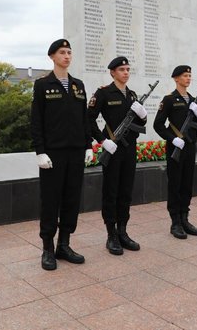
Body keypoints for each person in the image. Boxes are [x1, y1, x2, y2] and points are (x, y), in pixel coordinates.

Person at [31, 38, 94, 271]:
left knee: (71, 199)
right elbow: (36, 121)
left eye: (69, 52)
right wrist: (40, 151)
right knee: (50, 201)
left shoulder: (78, 85)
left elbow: (84, 120)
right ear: (52, 57)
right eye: (62, 52)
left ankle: (64, 245)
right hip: (53, 155)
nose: (67, 56)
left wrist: (88, 145)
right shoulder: (42, 84)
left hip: (76, 152)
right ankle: (47, 248)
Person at [87, 56, 147, 255]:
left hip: (129, 149)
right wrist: (103, 141)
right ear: (112, 72)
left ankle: (123, 231)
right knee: (111, 192)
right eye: (122, 69)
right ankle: (111, 234)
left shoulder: (132, 95)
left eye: (128, 69)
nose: (126, 73)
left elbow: (141, 126)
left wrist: (143, 115)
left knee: (126, 191)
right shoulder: (103, 93)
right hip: (111, 149)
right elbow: (88, 120)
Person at [153, 65, 197, 239]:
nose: (188, 78)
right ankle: (175, 222)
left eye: (190, 75)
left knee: (187, 184)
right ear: (176, 78)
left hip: (189, 147)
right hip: (175, 147)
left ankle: (185, 218)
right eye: (185, 75)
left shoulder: (193, 100)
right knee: (175, 184)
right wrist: (172, 138)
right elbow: (157, 124)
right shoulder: (169, 99)